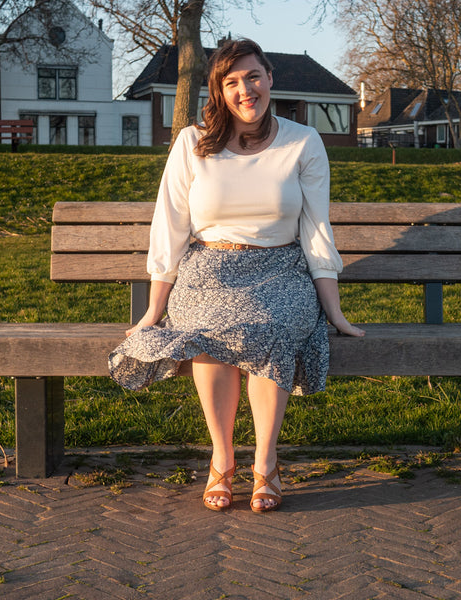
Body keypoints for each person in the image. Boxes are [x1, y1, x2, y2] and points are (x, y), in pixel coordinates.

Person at [109, 38, 365, 513]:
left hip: (279, 270)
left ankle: (265, 463)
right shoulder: (192, 142)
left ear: (270, 78)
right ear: (219, 92)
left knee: (268, 328)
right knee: (209, 332)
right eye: (232, 82)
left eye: (253, 76)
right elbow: (170, 228)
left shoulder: (302, 142)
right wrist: (154, 310)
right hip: (208, 270)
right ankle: (222, 460)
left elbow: (315, 230)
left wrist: (334, 311)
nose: (245, 89)